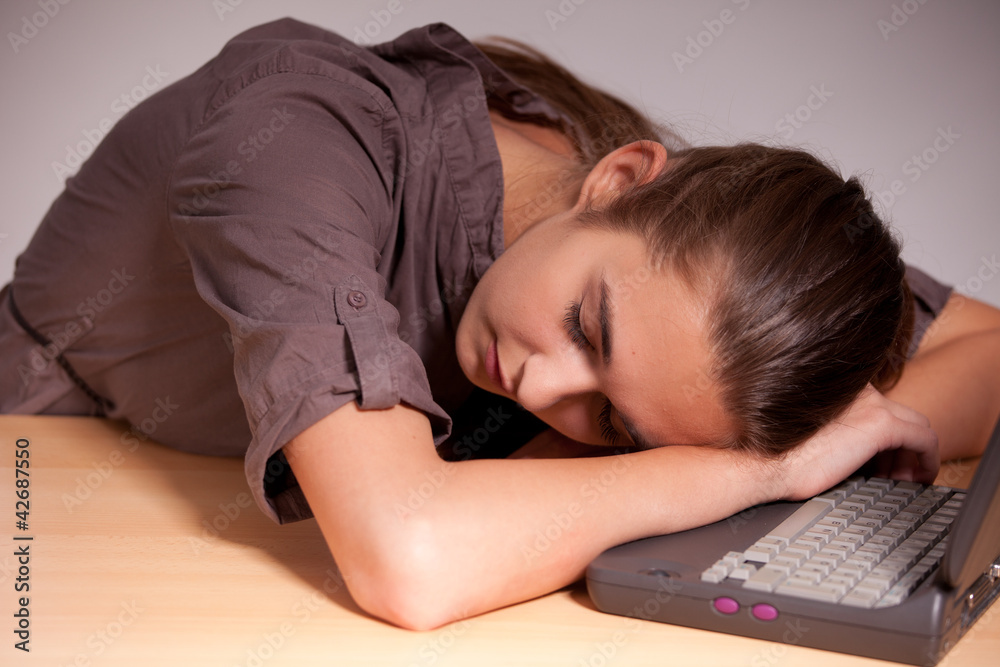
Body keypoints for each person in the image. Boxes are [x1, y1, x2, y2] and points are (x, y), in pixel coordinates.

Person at [2, 18, 998, 630]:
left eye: (616, 423)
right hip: (49, 485)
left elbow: (989, 349)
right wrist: (769, 467)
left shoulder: (690, 296)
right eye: (588, 328)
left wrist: (818, 417)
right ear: (619, 179)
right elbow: (410, 555)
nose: (541, 386)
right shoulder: (298, 137)